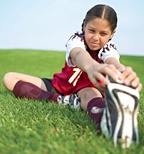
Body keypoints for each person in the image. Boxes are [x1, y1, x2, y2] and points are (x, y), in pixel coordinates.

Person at [3, 4, 142, 148]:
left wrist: (122, 71)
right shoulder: (76, 39)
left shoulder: (109, 48)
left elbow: (113, 61)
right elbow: (79, 54)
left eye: (103, 33)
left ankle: (108, 123)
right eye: (92, 30)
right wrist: (92, 67)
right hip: (60, 85)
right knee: (9, 78)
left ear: (112, 34)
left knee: (92, 94)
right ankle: (63, 100)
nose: (95, 37)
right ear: (84, 26)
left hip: (85, 91)